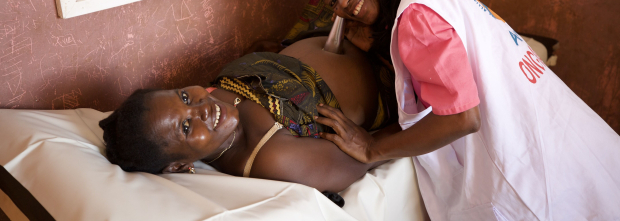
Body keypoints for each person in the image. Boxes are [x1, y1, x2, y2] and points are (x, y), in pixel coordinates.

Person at [308, 0, 620, 220]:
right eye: (332, 1)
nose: (344, 3)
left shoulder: (415, 16)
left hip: (536, 178)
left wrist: (372, 149)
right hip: (573, 144)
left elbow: (461, 118)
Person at [99, 35, 398, 195]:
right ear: (179, 165)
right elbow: (376, 149)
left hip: (339, 29)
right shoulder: (273, 157)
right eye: (187, 126)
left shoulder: (214, 100)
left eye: (184, 96)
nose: (200, 106)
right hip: (390, 66)